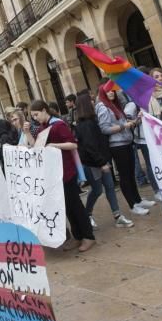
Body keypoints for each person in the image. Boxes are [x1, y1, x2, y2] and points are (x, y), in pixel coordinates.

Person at [28, 100, 96, 252]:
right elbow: (38, 147)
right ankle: (77, 236)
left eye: (37, 114)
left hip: (66, 171)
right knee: (66, 207)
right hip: (54, 174)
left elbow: (73, 144)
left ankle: (88, 236)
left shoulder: (58, 125)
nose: (36, 118)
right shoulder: (42, 128)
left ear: (44, 110)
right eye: (33, 116)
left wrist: (54, 146)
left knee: (76, 205)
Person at [74, 91, 133, 229]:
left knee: (110, 187)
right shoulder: (86, 124)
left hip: (101, 161)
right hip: (93, 163)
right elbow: (90, 146)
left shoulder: (92, 121)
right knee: (97, 190)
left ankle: (117, 216)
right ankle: (87, 214)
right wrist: (101, 163)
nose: (94, 102)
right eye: (91, 100)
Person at [96, 82, 155, 216]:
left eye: (112, 91)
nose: (111, 93)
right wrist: (124, 127)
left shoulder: (114, 105)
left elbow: (123, 123)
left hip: (126, 142)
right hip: (117, 146)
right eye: (108, 91)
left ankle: (137, 200)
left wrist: (135, 121)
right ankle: (132, 204)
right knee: (124, 175)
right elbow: (104, 128)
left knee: (130, 173)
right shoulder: (103, 107)